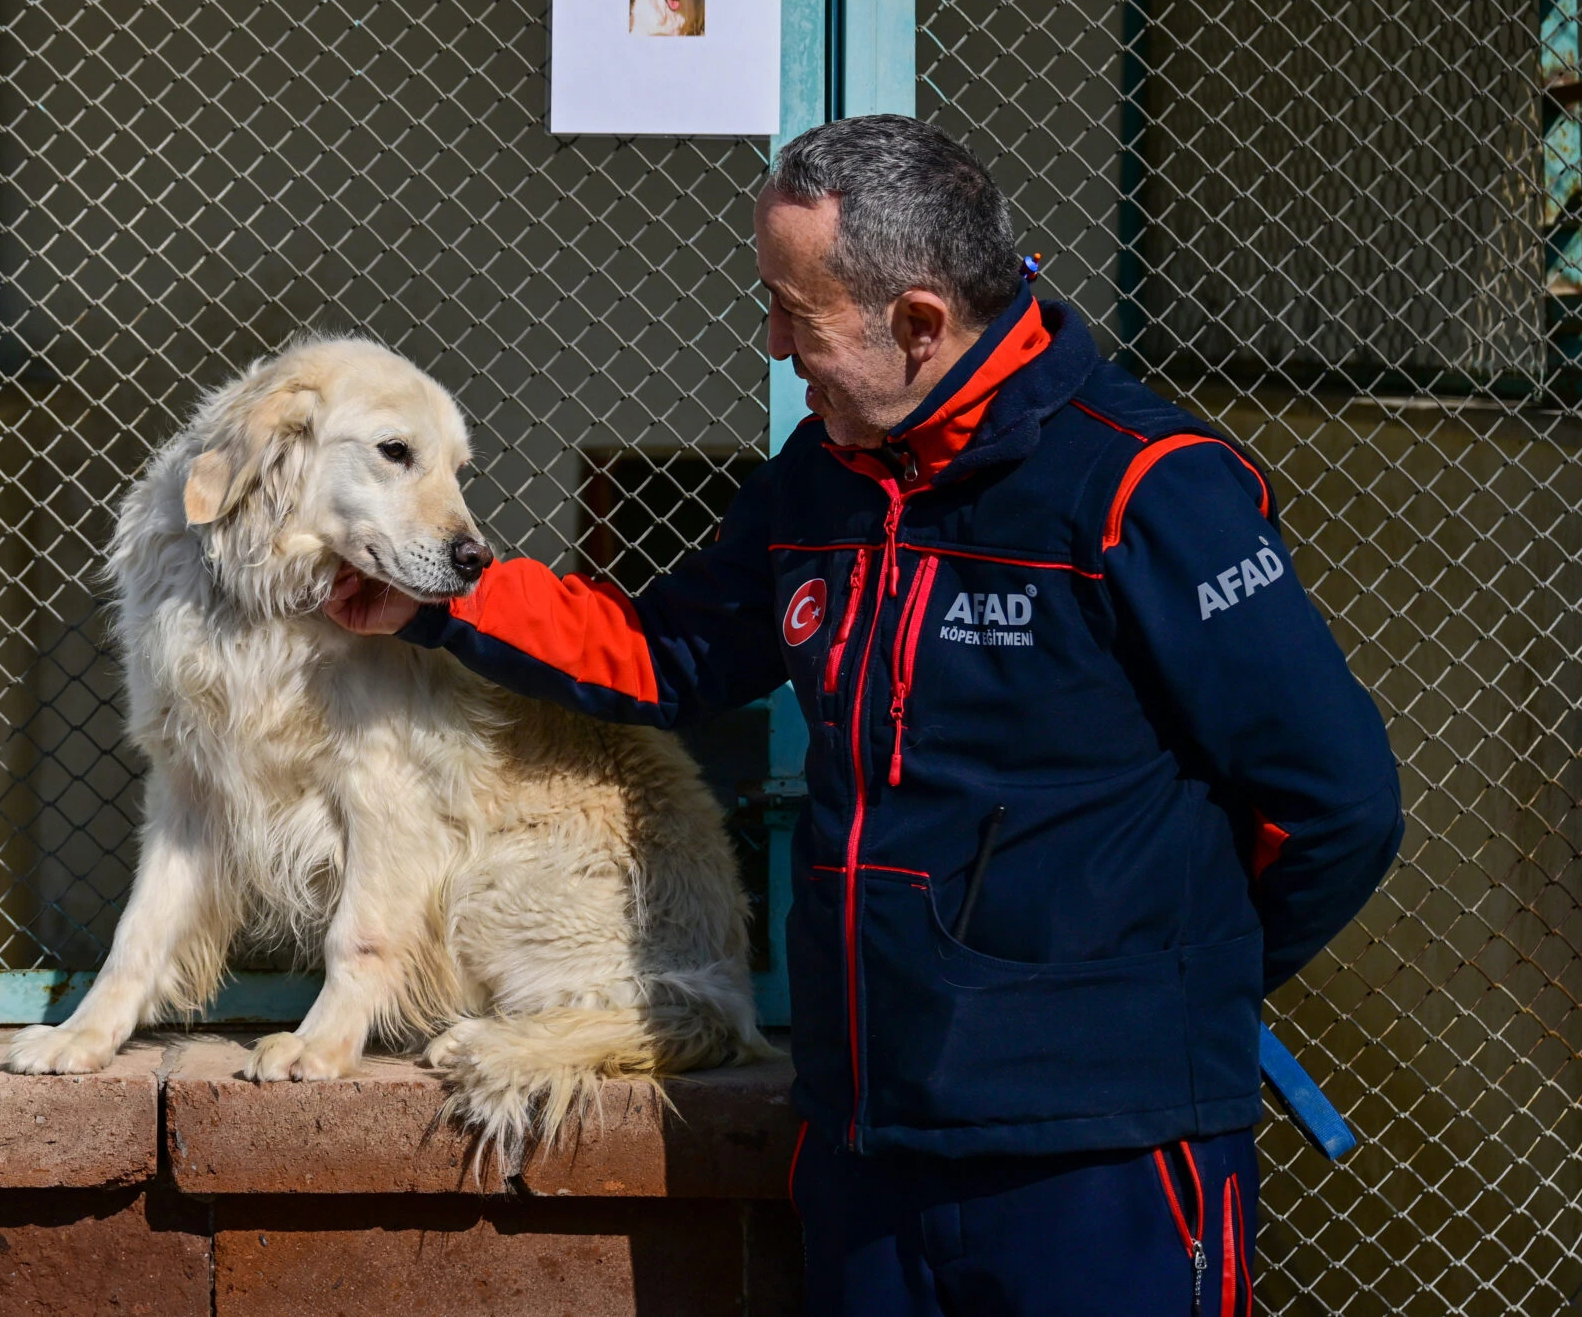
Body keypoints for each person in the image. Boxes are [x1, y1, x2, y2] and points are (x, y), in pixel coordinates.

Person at [324, 115, 1401, 1315]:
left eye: (797, 313)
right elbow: (666, 651)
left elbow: (1336, 804)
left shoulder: (1145, 489)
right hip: (866, 1139)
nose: (776, 344)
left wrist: (1171, 982)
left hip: (1095, 1154)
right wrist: (430, 604)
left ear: (921, 323)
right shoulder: (818, 481)